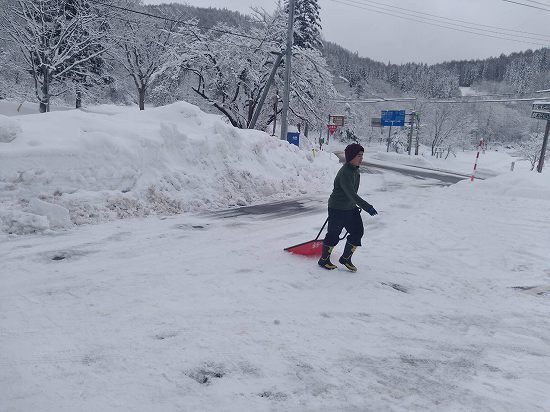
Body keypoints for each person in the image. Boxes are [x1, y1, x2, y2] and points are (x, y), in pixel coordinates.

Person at [318, 143, 378, 272]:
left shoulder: (355, 169)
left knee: (357, 232)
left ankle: (346, 258)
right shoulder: (345, 173)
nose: (361, 159)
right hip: (337, 208)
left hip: (350, 207)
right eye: (359, 156)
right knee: (333, 235)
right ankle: (323, 260)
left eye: (362, 156)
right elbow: (352, 194)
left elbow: (352, 195)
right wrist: (367, 207)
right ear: (351, 157)